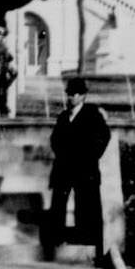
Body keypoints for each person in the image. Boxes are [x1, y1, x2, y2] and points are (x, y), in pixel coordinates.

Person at [43, 75, 111, 256]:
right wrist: (61, 152)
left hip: (85, 168)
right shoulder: (64, 117)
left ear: (83, 96)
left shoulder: (92, 115)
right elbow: (55, 139)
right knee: (59, 202)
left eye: (75, 94)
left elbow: (104, 137)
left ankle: (88, 240)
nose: (71, 97)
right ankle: (56, 238)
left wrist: (91, 156)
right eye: (69, 94)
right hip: (64, 167)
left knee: (87, 203)